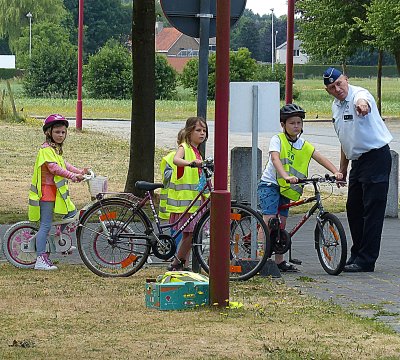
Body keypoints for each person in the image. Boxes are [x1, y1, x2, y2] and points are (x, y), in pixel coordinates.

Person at [257, 103, 343, 272]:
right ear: (283, 125)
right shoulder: (278, 139)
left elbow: (319, 157)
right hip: (271, 184)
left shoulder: (303, 144)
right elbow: (275, 159)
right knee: (269, 221)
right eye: (292, 123)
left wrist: (336, 172)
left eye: (299, 123)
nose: (296, 126)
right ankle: (260, 260)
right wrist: (286, 176)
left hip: (286, 188)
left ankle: (279, 261)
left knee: (281, 224)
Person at [323, 67, 393, 272]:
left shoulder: (360, 94)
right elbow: (345, 140)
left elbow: (364, 102)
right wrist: (342, 170)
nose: (337, 89)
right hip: (358, 162)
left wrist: (363, 106)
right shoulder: (335, 106)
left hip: (376, 157)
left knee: (372, 211)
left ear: (346, 79)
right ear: (327, 91)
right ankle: (357, 253)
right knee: (354, 208)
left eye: (339, 83)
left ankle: (367, 260)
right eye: (332, 87)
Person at [28, 114, 89, 271]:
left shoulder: (55, 150)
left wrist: (80, 171)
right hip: (46, 192)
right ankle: (40, 259)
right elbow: (54, 168)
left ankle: (57, 240)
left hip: (56, 192)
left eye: (63, 132)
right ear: (49, 132)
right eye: (57, 132)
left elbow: (64, 164)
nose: (61, 135)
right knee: (45, 225)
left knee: (73, 213)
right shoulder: (45, 149)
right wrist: (73, 176)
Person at [161, 117, 208, 271]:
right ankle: (176, 263)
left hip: (194, 202)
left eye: (204, 131)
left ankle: (182, 265)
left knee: (190, 235)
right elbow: (176, 159)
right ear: (189, 132)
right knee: (191, 234)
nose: (202, 133)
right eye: (198, 130)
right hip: (185, 202)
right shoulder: (185, 147)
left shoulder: (197, 152)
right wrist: (191, 163)